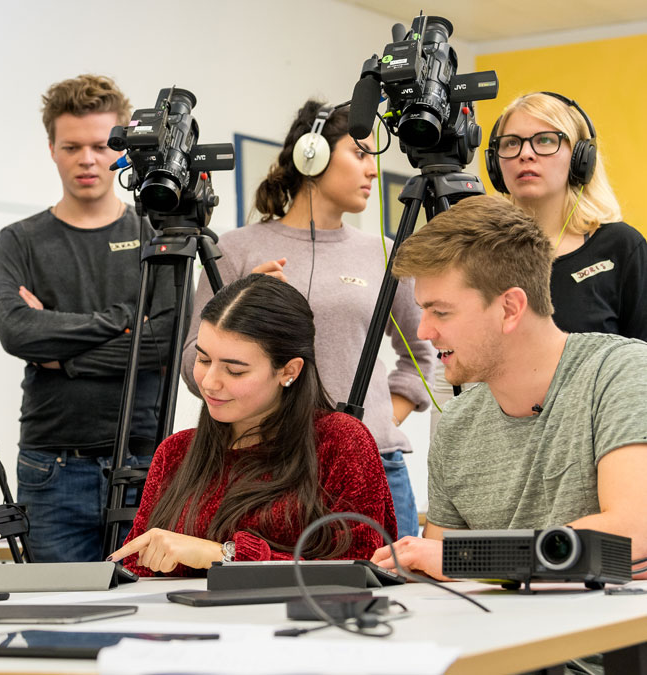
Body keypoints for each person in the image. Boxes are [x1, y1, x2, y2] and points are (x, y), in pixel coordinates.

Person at [181, 101, 435, 540]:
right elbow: (193, 364)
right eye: (359, 153)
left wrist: (378, 420)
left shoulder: (384, 252)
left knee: (389, 582)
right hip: (265, 466)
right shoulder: (235, 249)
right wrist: (241, 308)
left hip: (375, 461)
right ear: (311, 153)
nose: (372, 169)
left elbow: (424, 353)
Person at [369, 195, 647, 581]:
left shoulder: (621, 372)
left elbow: (632, 537)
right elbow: (437, 572)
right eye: (423, 310)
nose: (424, 331)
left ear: (510, 308)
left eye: (441, 312)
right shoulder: (458, 424)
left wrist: (464, 559)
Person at [0, 74, 175, 563]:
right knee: (57, 607)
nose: (87, 159)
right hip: (51, 467)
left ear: (123, 149)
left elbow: (166, 340)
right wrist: (125, 318)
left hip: (143, 461)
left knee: (147, 608)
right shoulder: (19, 240)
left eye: (100, 145)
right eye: (72, 147)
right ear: (52, 149)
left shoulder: (158, 234)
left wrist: (64, 357)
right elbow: (18, 331)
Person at [109, 274, 397, 575]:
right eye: (203, 360)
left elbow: (360, 570)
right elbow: (135, 569)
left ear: (289, 371)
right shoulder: (175, 452)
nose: (210, 382)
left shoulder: (340, 441)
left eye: (234, 371)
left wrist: (224, 555)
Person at [485, 91, 647, 339]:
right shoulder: (479, 252)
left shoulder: (621, 246)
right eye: (511, 143)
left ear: (580, 158)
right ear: (495, 164)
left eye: (545, 140)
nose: (525, 153)